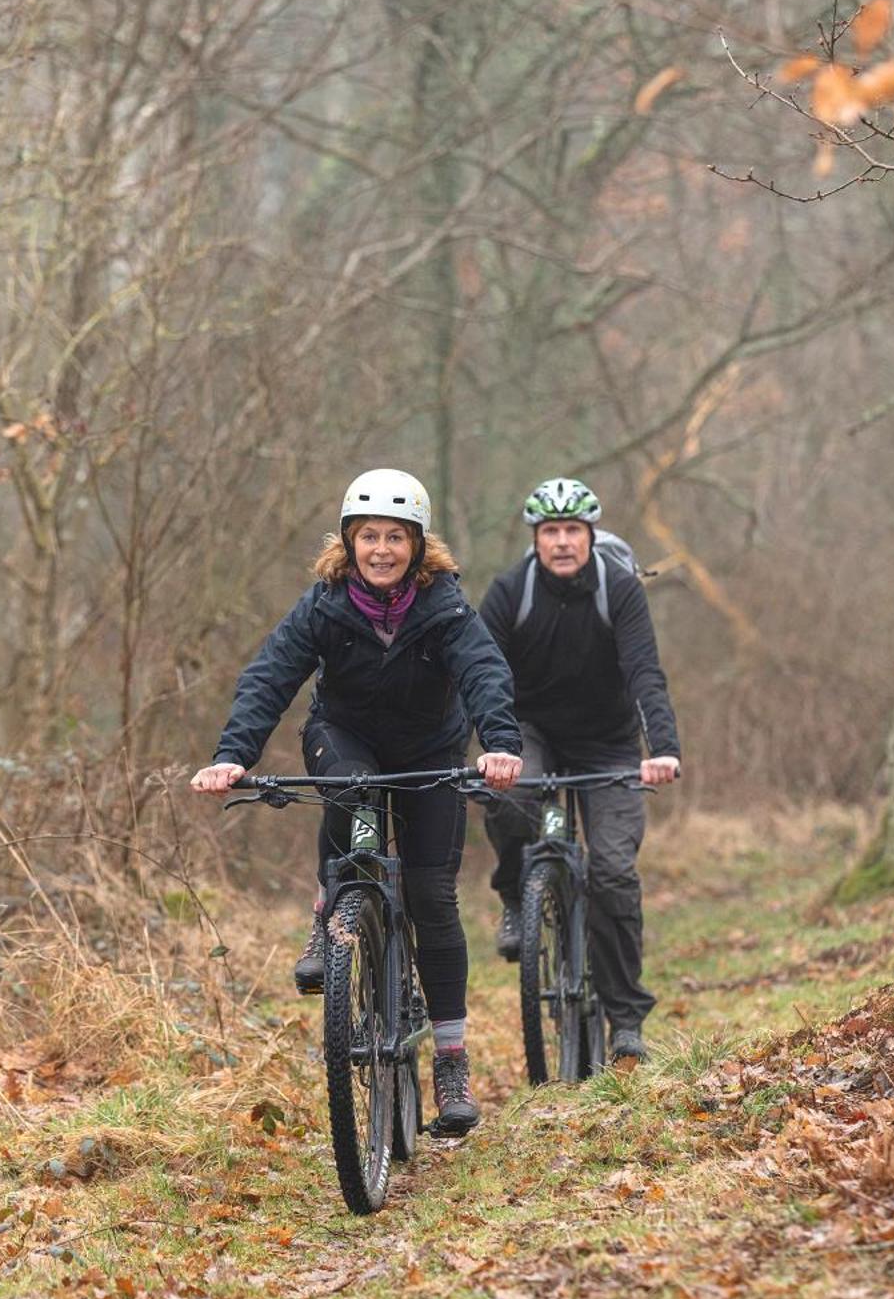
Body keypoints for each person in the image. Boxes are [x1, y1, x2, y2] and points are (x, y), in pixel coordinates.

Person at [191, 468, 522, 1136]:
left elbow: (484, 670)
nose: (380, 549)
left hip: (431, 747)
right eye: (368, 535)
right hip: (345, 737)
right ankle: (332, 907)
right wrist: (233, 754)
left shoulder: (446, 607)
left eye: (394, 537)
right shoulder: (324, 604)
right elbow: (271, 674)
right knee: (349, 786)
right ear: (348, 541)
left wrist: (500, 743)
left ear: (417, 544)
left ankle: (451, 1060)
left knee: (432, 895)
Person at [479, 477, 681, 1065]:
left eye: (572, 531)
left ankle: (624, 1022)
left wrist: (661, 748)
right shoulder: (510, 592)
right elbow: (480, 672)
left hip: (608, 741)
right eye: (551, 532)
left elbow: (645, 671)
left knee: (614, 872)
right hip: (531, 731)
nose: (562, 542)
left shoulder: (618, 589)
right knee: (510, 796)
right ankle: (517, 893)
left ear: (590, 535)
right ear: (535, 539)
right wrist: (486, 746)